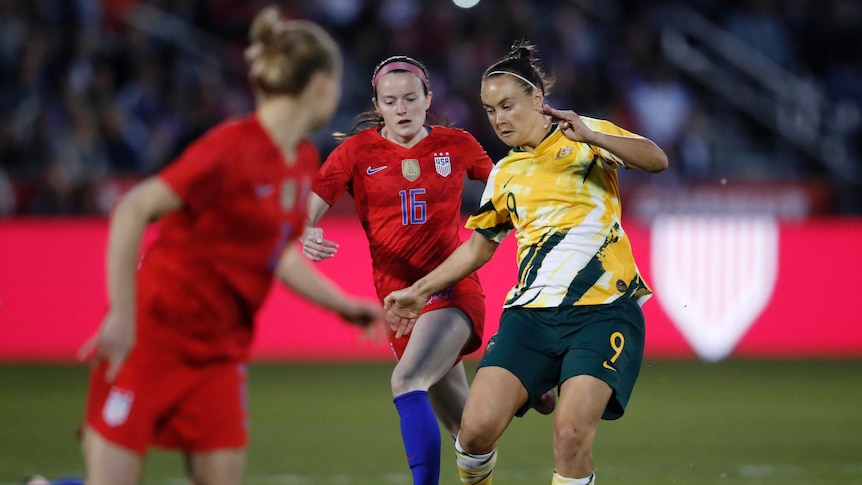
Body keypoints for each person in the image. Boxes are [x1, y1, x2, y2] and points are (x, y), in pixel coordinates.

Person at [76, 7, 380, 485]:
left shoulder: (303, 160)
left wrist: (340, 304)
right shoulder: (229, 148)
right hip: (151, 342)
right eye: (339, 83)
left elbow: (275, 249)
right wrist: (121, 313)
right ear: (321, 84)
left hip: (219, 355)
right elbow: (134, 207)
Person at [384, 41, 668, 485]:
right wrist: (419, 291)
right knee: (474, 433)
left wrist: (592, 136)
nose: (498, 118)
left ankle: (550, 387)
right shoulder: (504, 173)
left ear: (538, 99)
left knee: (571, 437)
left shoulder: (585, 136)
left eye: (508, 105)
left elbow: (657, 160)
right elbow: (479, 247)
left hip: (602, 312)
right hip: (530, 318)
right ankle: (538, 384)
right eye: (490, 109)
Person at [301, 55, 553, 485]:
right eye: (391, 100)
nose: (401, 108)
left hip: (450, 292)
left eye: (410, 98)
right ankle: (525, 382)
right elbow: (306, 212)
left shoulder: (457, 145)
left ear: (427, 100)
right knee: (468, 432)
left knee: (407, 380)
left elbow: (507, 189)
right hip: (398, 303)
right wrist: (306, 232)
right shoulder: (355, 153)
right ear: (377, 105)